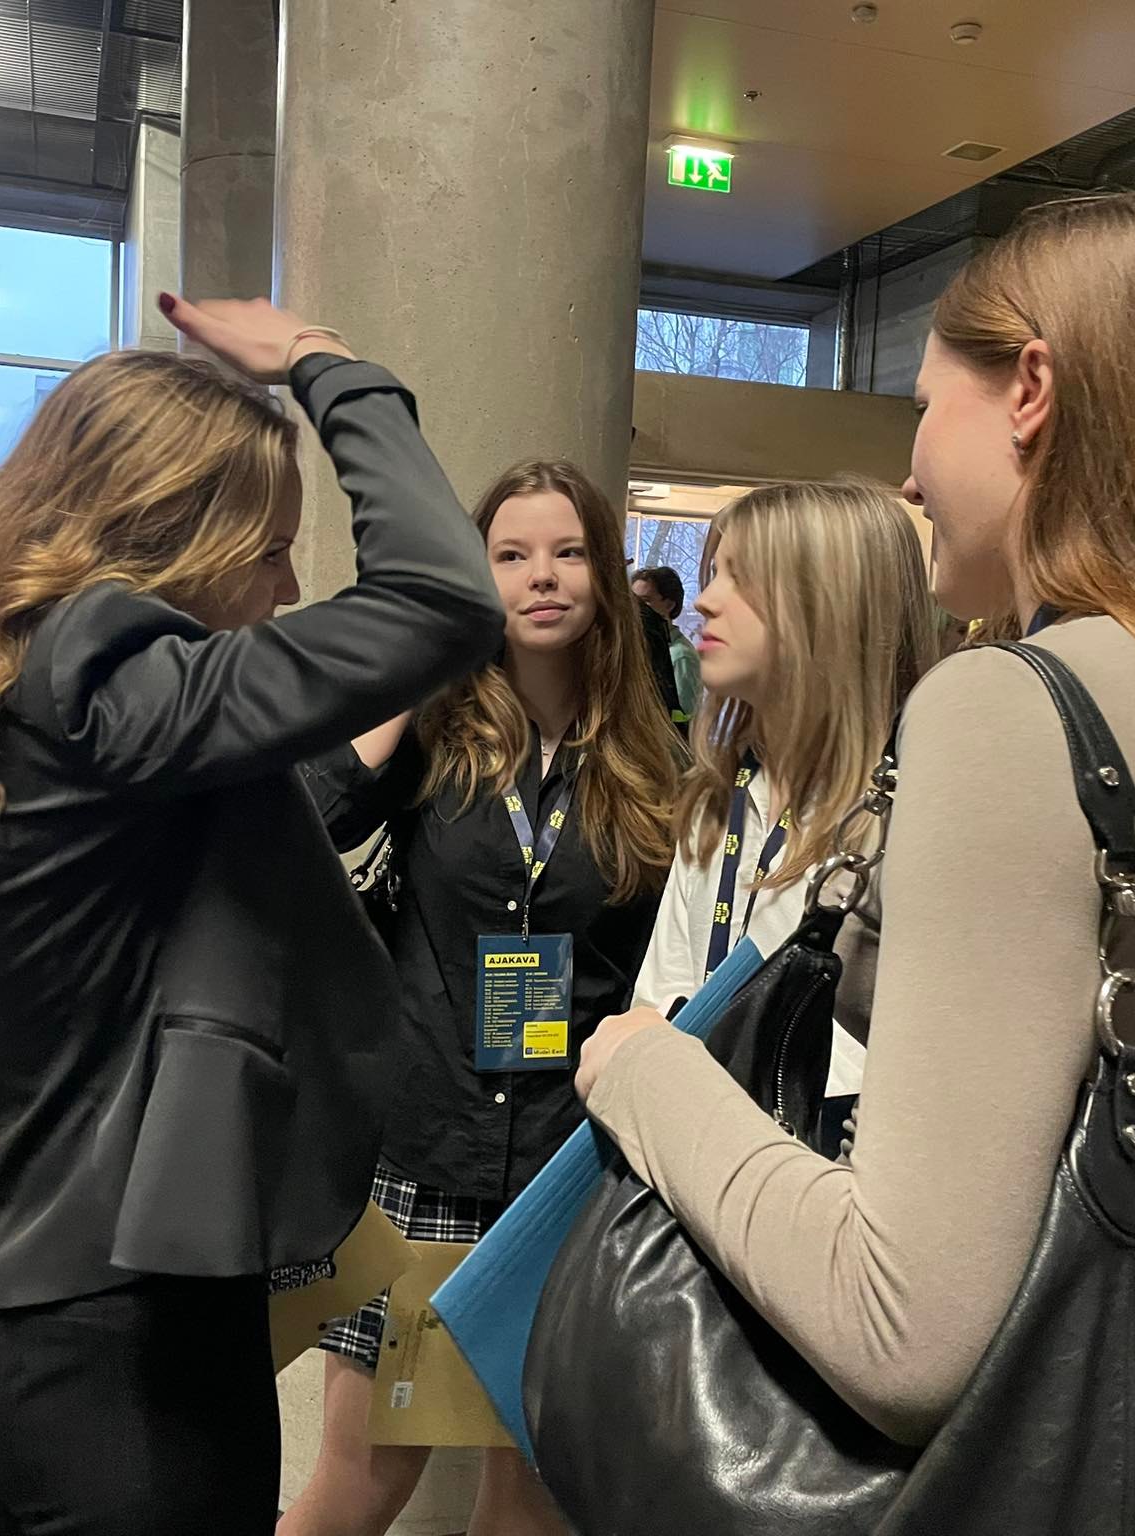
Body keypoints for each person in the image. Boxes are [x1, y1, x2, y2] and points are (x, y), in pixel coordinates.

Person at [574, 192, 1135, 1535]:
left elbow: (903, 1329)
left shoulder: (1014, 710)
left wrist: (642, 1071)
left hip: (1022, 1475)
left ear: (1030, 389)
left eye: (924, 407)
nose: (910, 477)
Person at [0, 297, 504, 1536]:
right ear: (169, 534)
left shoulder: (38, 694)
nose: (289, 588)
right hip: (116, 1338)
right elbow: (442, 598)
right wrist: (327, 367)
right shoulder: (105, 686)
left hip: (57, 1302)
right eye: (270, 549)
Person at [285, 459, 681, 1536]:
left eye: (568, 553)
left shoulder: (651, 762)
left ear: (604, 577)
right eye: (510, 556)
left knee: (529, 1502)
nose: (540, 576)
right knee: (358, 1485)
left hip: (568, 1172)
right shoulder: (433, 738)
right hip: (423, 1155)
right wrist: (418, 668)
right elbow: (304, 823)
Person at [629, 481, 935, 1134]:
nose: (704, 600)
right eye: (714, 573)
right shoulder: (716, 796)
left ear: (831, 608)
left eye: (739, 579)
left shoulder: (912, 818)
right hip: (688, 1141)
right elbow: (659, 996)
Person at [631, 564, 701, 723]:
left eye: (645, 601)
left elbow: (685, 720)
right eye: (633, 601)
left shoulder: (680, 656)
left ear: (669, 605)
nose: (636, 608)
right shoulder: (640, 650)